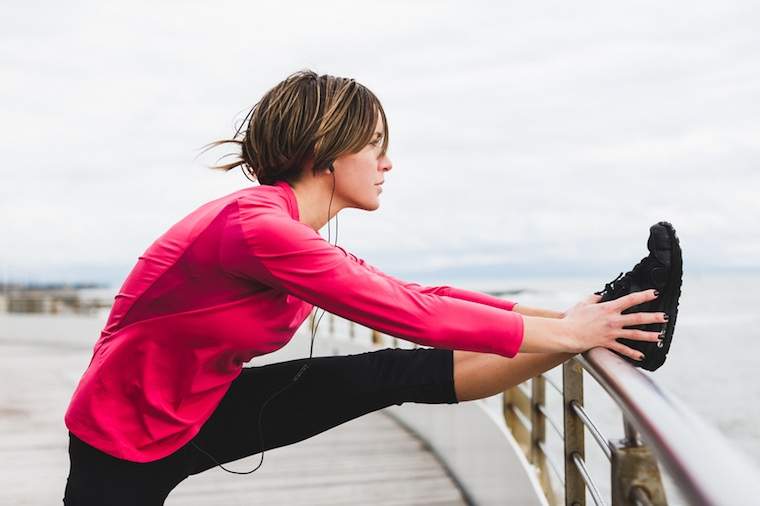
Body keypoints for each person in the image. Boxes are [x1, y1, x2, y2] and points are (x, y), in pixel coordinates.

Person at [62, 69, 670, 505]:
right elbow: (413, 315)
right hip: (120, 433)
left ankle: (618, 328)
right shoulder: (259, 229)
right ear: (328, 152)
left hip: (200, 405)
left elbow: (419, 295)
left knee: (386, 375)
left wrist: (572, 319)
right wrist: (565, 329)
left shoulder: (288, 233)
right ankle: (602, 331)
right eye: (376, 145)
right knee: (395, 363)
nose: (387, 163)